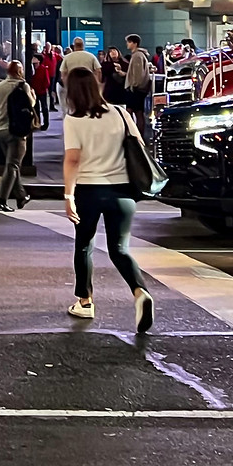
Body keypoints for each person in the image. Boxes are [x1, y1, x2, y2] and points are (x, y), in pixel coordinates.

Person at [61, 64, 154, 332]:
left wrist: (68, 195)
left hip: (89, 190)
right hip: (123, 191)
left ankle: (85, 301)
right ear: (96, 85)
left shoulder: (74, 119)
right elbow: (139, 146)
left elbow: (73, 159)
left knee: (83, 246)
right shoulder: (121, 113)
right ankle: (140, 292)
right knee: (120, 249)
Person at [0, 59, 37, 212]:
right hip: (17, 132)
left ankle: (21, 196)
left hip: (1, 130)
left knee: (11, 165)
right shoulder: (23, 86)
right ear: (19, 72)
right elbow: (30, 104)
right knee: (13, 166)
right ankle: (1, 200)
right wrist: (33, 96)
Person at [123, 34, 153, 132]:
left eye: (129, 42)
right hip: (139, 89)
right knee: (137, 112)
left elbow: (137, 73)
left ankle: (135, 133)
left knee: (136, 112)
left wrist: (134, 85)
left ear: (134, 43)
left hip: (136, 89)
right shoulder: (138, 55)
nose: (127, 44)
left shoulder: (137, 56)